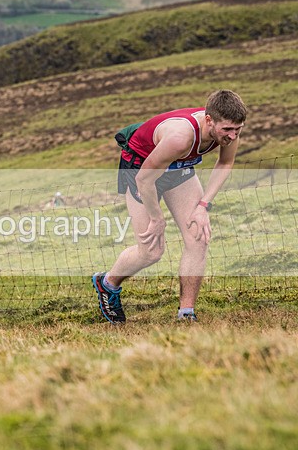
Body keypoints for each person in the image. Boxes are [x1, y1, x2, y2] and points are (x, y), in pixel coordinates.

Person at [92, 90, 247, 323]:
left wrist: (203, 206)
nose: (233, 136)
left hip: (177, 168)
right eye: (227, 130)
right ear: (209, 121)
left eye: (238, 129)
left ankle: (186, 314)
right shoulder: (180, 138)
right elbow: (144, 180)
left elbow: (225, 162)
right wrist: (157, 218)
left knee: (198, 236)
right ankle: (108, 284)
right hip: (140, 170)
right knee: (151, 251)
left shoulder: (229, 131)